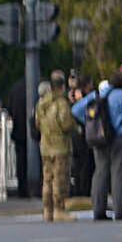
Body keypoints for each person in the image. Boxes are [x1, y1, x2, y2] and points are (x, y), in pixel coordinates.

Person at [73, 71, 122, 221]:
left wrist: (89, 124)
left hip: (100, 138)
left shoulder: (97, 95)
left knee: (100, 173)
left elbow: (75, 110)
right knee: (119, 173)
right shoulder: (121, 96)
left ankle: (98, 209)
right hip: (120, 138)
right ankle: (119, 210)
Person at [36, 76, 78, 222]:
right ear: (62, 86)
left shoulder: (41, 103)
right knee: (60, 179)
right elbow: (66, 124)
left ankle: (47, 211)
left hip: (45, 146)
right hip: (60, 147)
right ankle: (59, 209)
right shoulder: (61, 103)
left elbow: (37, 123)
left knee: (47, 179)